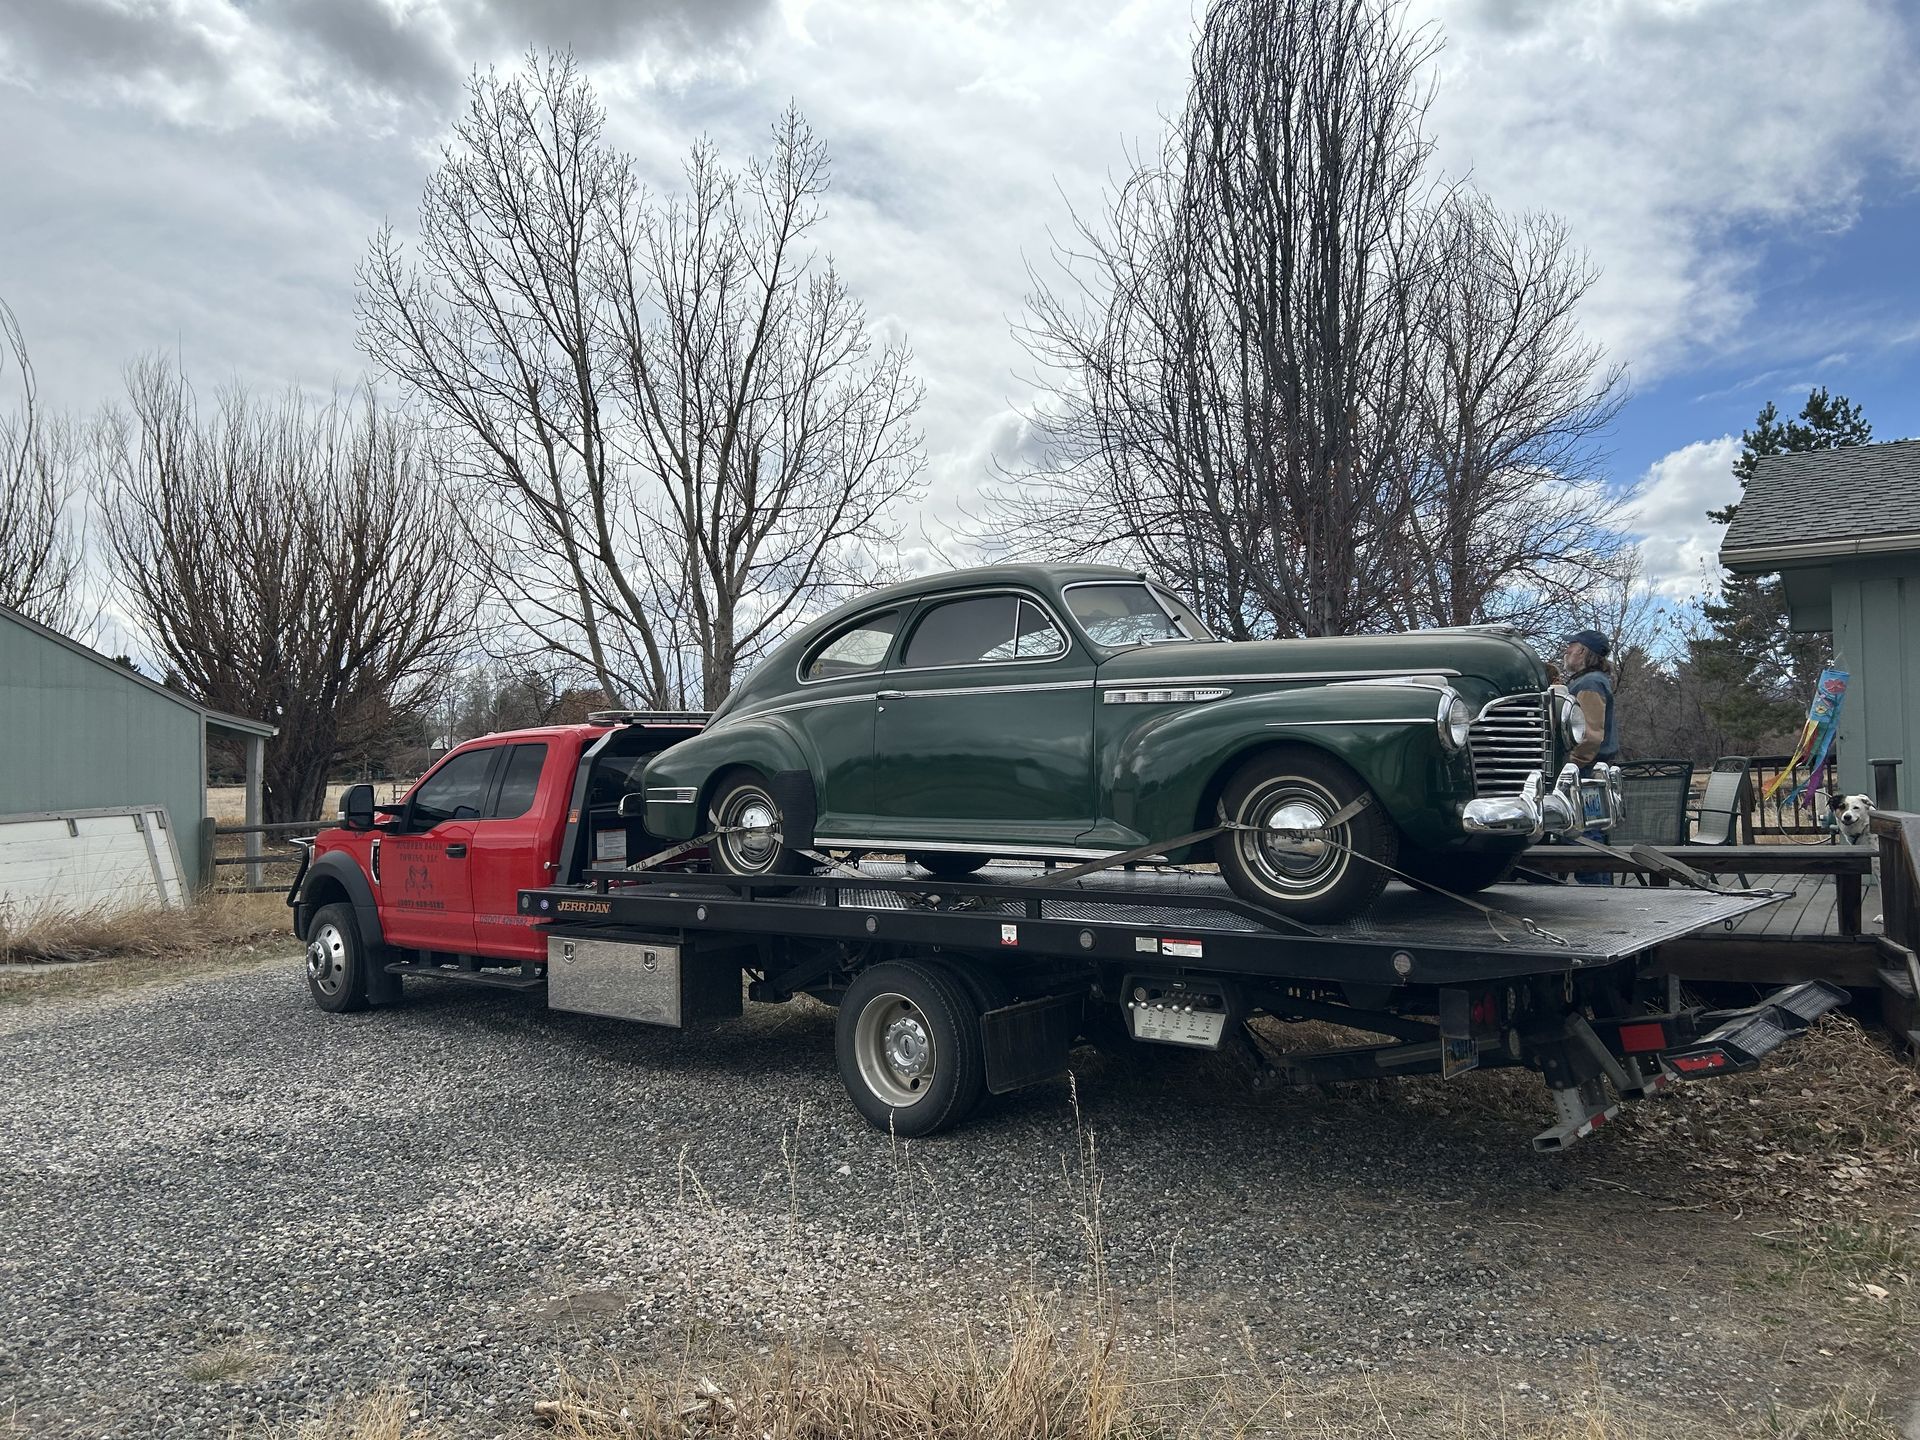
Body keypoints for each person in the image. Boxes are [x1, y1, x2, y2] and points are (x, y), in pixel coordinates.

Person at [1561, 628, 1619, 884]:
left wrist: (1570, 767)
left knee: (1583, 835)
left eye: (1570, 646)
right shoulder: (1588, 681)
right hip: (1589, 772)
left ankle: (1596, 896)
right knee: (1586, 834)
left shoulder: (1590, 683)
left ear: (1583, 651)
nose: (1566, 651)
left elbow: (1590, 735)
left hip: (1585, 774)